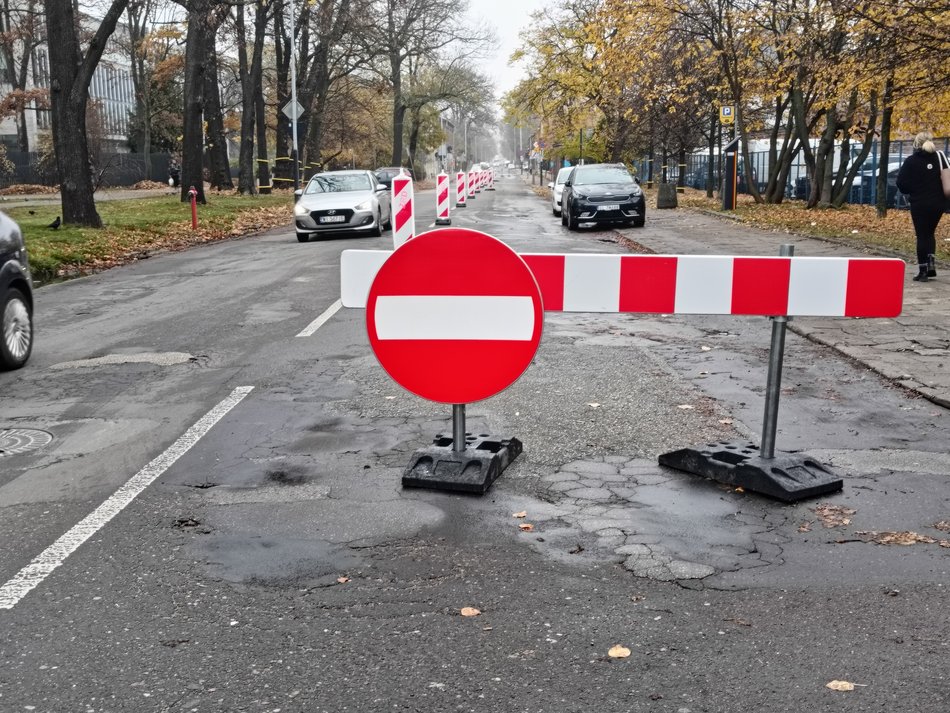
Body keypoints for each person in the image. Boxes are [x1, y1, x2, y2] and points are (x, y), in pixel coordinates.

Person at [896, 131, 946, 282]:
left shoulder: (911, 161)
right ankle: (931, 261)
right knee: (930, 233)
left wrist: (912, 190)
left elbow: (901, 183)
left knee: (922, 235)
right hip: (938, 203)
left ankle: (923, 270)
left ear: (916, 144)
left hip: (919, 204)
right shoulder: (940, 157)